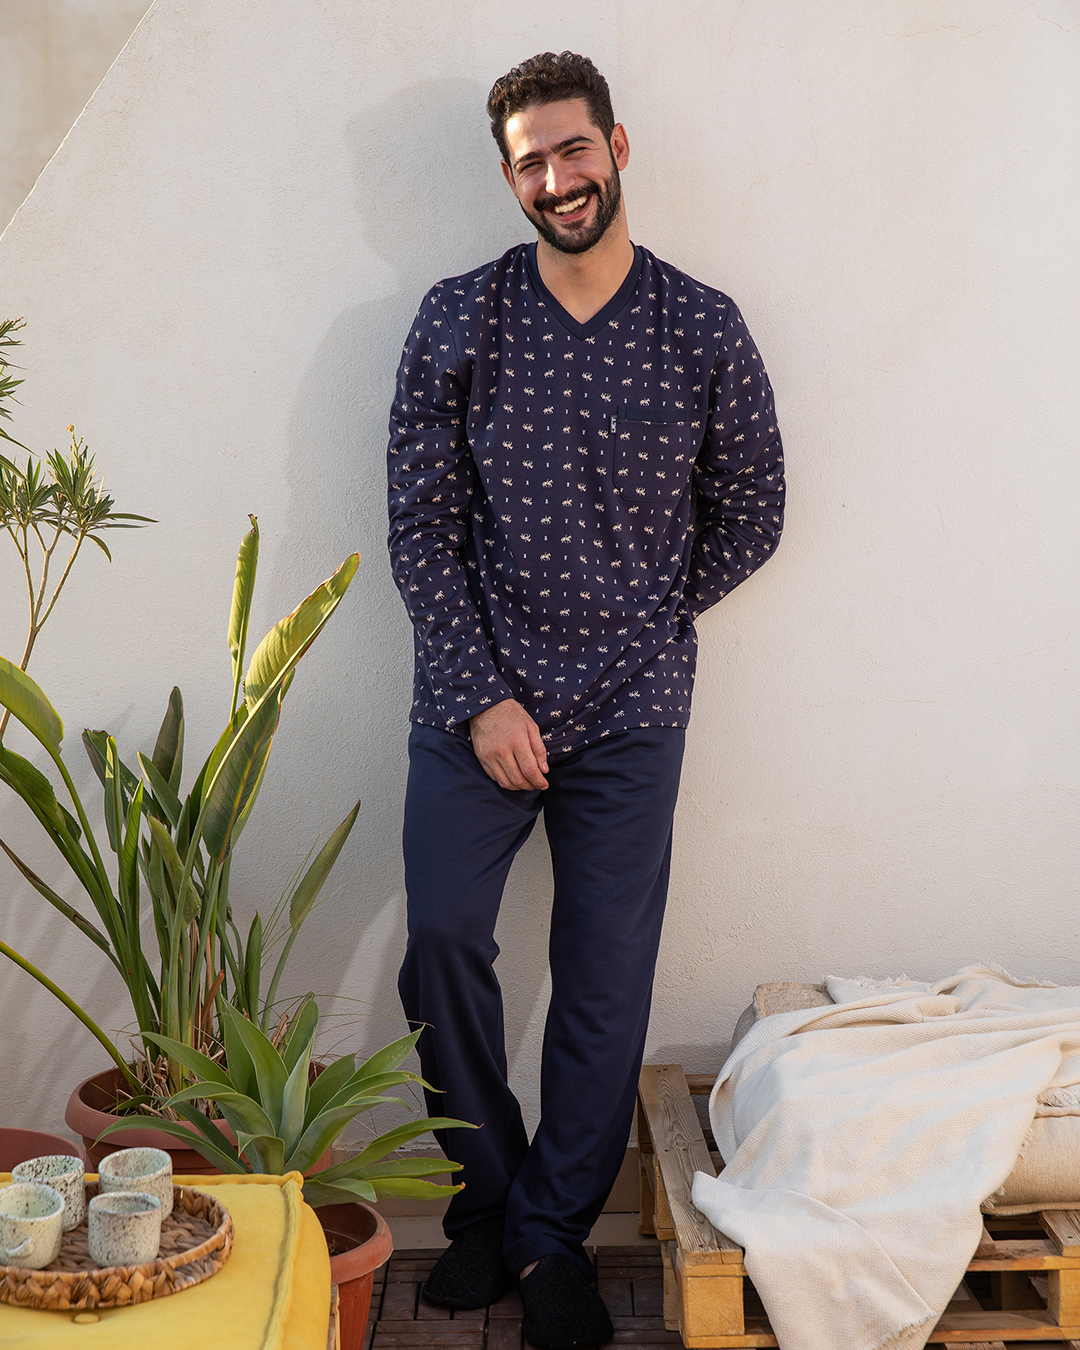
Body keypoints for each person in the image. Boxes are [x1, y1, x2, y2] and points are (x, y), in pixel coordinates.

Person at [386, 50, 784, 1350]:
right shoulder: (459, 318)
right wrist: (483, 695)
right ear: (510, 178)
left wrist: (642, 625)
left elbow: (753, 509)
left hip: (631, 708)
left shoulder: (702, 327)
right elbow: (421, 526)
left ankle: (553, 1234)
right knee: (444, 938)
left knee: (604, 981)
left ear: (617, 147)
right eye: (530, 163)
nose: (557, 180)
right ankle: (488, 1201)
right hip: (476, 702)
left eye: (573, 150)